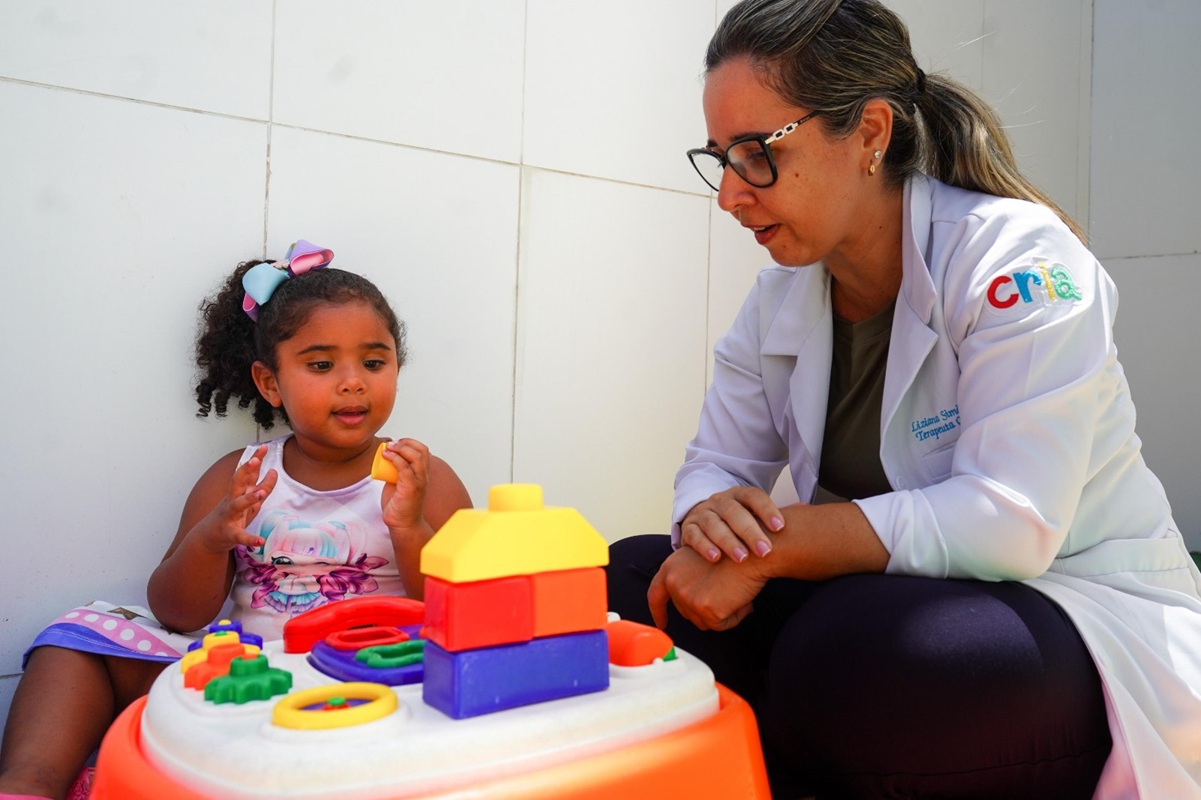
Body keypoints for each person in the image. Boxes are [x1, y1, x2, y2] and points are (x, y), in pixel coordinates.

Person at [605, 1, 1201, 798]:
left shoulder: (1017, 260)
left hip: (1067, 605)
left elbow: (1008, 522)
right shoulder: (780, 297)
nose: (730, 195)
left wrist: (770, 548)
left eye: (755, 153)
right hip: (878, 605)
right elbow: (714, 463)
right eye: (719, 158)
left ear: (871, 133)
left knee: (858, 653)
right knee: (632, 579)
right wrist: (708, 518)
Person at [0, 242, 472, 800]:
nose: (353, 382)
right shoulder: (242, 473)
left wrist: (409, 529)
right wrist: (212, 539)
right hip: (246, 674)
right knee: (74, 642)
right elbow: (176, 613)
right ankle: (29, 785)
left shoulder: (421, 475)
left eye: (374, 362)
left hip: (374, 672)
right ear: (270, 382)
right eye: (321, 365)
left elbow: (462, 614)